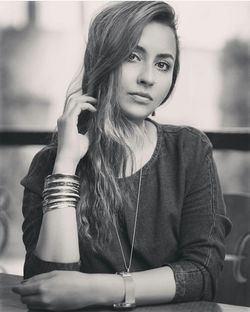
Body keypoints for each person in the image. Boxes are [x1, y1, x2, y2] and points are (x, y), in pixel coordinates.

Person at [13, 1, 232, 311]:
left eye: (163, 64)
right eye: (133, 56)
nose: (148, 78)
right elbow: (49, 288)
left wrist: (99, 288)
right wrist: (65, 165)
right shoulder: (52, 163)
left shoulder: (189, 150)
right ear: (103, 61)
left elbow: (202, 273)